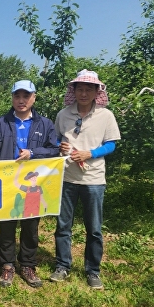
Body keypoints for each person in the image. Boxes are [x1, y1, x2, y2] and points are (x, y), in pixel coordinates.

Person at [50, 70, 121, 289]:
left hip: (94, 179)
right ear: (73, 91)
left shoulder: (105, 116)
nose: (83, 93)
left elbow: (111, 144)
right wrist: (60, 147)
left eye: (88, 89)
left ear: (96, 92)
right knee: (63, 226)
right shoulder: (64, 114)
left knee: (94, 228)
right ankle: (62, 265)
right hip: (67, 178)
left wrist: (90, 153)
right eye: (79, 89)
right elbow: (56, 140)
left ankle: (93, 270)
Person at [0, 80, 59, 288]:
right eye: (17, 96)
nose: (21, 100)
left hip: (34, 183)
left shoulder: (45, 124)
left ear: (34, 97)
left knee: (31, 226)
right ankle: (7, 265)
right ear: (12, 98)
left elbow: (55, 149)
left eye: (26, 96)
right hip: (8, 181)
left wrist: (34, 153)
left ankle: (28, 264)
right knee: (7, 225)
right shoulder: (1, 123)